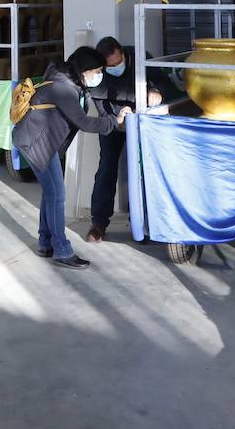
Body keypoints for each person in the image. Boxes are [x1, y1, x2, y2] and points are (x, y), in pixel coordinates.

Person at [12, 47, 131, 269]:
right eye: (96, 71)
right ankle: (62, 251)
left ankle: (45, 243)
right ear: (83, 70)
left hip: (41, 142)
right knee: (57, 195)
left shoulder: (69, 81)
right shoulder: (62, 88)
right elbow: (84, 122)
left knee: (51, 194)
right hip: (38, 144)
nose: (99, 75)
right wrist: (116, 121)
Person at [86, 36, 182, 242]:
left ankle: (146, 221)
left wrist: (157, 91)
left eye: (117, 63)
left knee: (145, 169)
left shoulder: (139, 57)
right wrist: (119, 114)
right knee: (107, 168)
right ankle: (99, 222)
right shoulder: (96, 72)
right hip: (114, 123)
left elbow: (165, 81)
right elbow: (102, 109)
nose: (114, 68)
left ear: (122, 53)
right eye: (109, 66)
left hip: (141, 119)